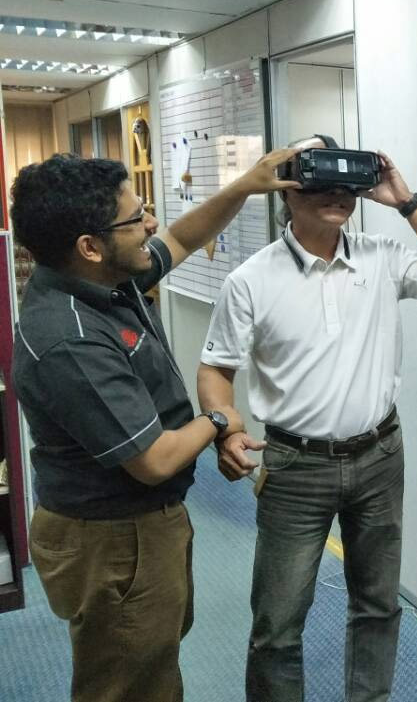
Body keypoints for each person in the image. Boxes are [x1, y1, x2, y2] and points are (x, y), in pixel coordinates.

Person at [12, 148, 299, 702]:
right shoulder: (69, 335)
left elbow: (184, 237)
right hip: (115, 539)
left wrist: (245, 186)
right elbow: (155, 460)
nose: (150, 223)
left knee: (149, 665)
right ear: (90, 246)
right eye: (136, 217)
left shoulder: (99, 278)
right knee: (127, 681)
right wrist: (218, 417)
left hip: (134, 528)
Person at [196, 137, 417, 702]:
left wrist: (405, 202)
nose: (336, 193)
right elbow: (215, 369)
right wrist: (223, 423)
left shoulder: (381, 255)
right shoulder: (250, 279)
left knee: (377, 605)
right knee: (278, 624)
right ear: (284, 190)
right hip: (294, 467)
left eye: (347, 182)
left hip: (379, 457)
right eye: (316, 179)